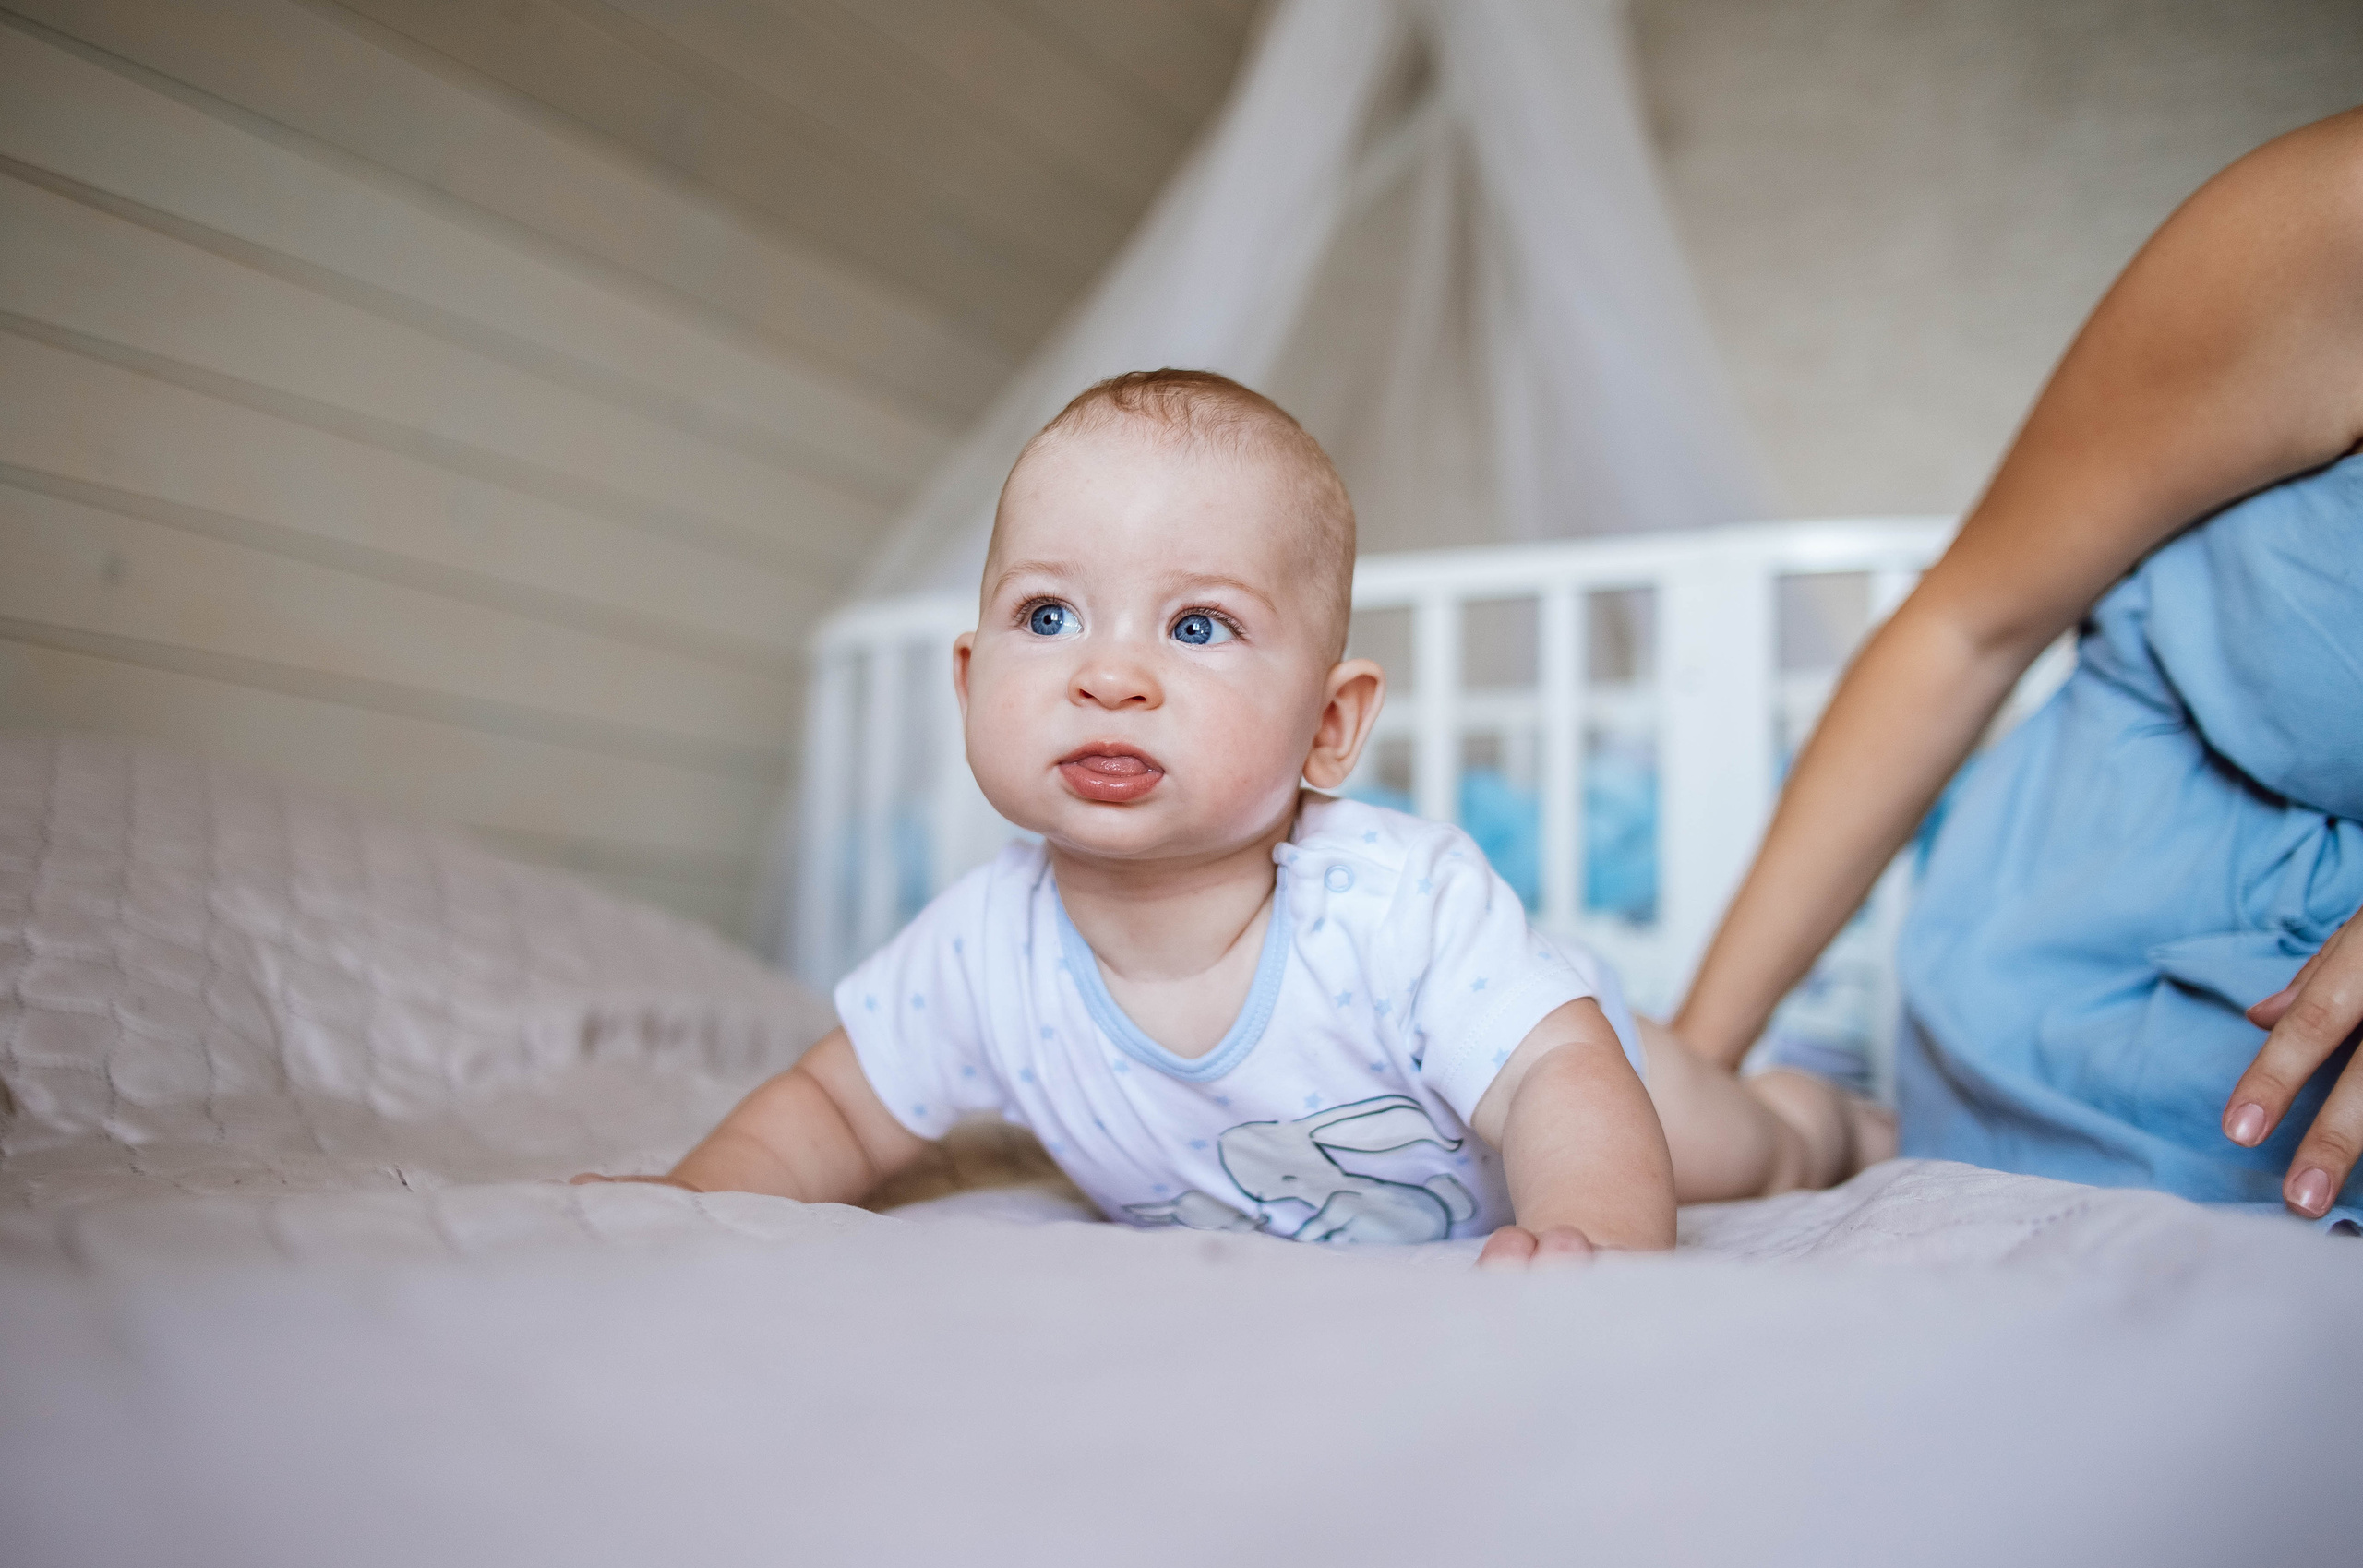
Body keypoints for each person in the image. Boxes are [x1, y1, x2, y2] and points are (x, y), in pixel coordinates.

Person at [580, 369, 1889, 1263]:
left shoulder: (1398, 902)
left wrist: (1594, 1236)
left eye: (1196, 624)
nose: (1109, 670)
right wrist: (698, 1203)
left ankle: (1823, 1110)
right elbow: (835, 1111)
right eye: (1049, 614)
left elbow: (1558, 1074)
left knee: (1738, 1142)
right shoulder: (982, 949)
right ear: (974, 679)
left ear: (1330, 728)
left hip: (1587, 1068)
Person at [1672, 109, 2363, 1226]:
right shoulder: (2334, 226)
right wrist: (1693, 1063)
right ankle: (1828, 1128)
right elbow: (1964, 629)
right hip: (2054, 1025)